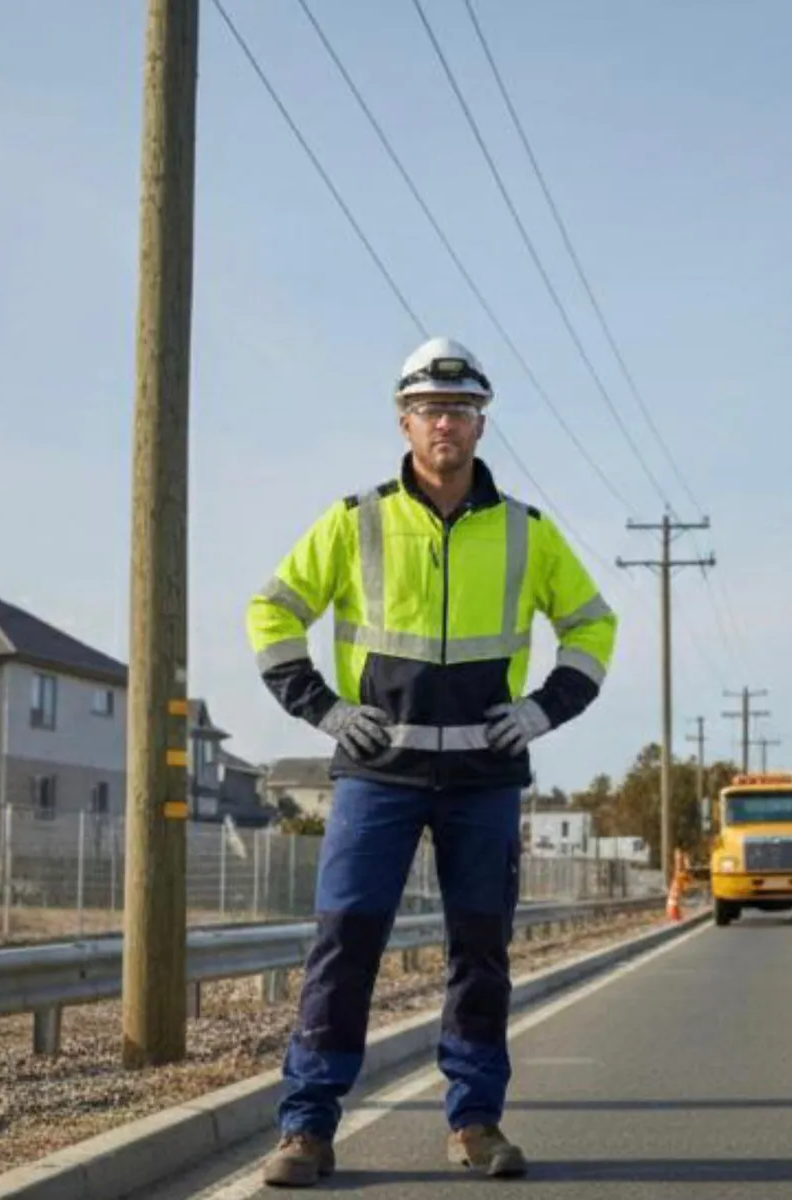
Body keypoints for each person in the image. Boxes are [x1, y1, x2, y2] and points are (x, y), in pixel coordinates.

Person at [246, 336, 618, 1188]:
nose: (443, 423)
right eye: (427, 409)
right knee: (344, 946)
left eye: (458, 409)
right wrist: (326, 709)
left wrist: (542, 708)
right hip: (376, 778)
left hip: (484, 782)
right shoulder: (355, 521)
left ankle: (476, 1124)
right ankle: (306, 1130)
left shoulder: (528, 532)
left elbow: (593, 627)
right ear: (403, 421)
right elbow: (271, 612)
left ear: (481, 422)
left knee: (479, 954)